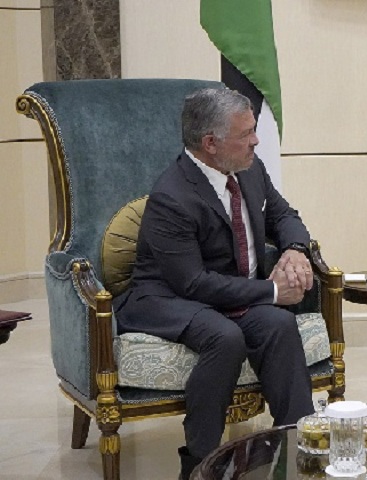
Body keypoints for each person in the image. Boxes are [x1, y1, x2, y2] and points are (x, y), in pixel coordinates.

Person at [113, 88, 315, 479]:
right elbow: (192, 283)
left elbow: (283, 215)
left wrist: (294, 250)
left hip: (228, 291)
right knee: (224, 337)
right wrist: (272, 291)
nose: (256, 141)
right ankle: (199, 464)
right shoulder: (172, 196)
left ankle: (298, 449)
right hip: (168, 297)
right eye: (246, 133)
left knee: (279, 324)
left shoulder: (250, 169)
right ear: (211, 144)